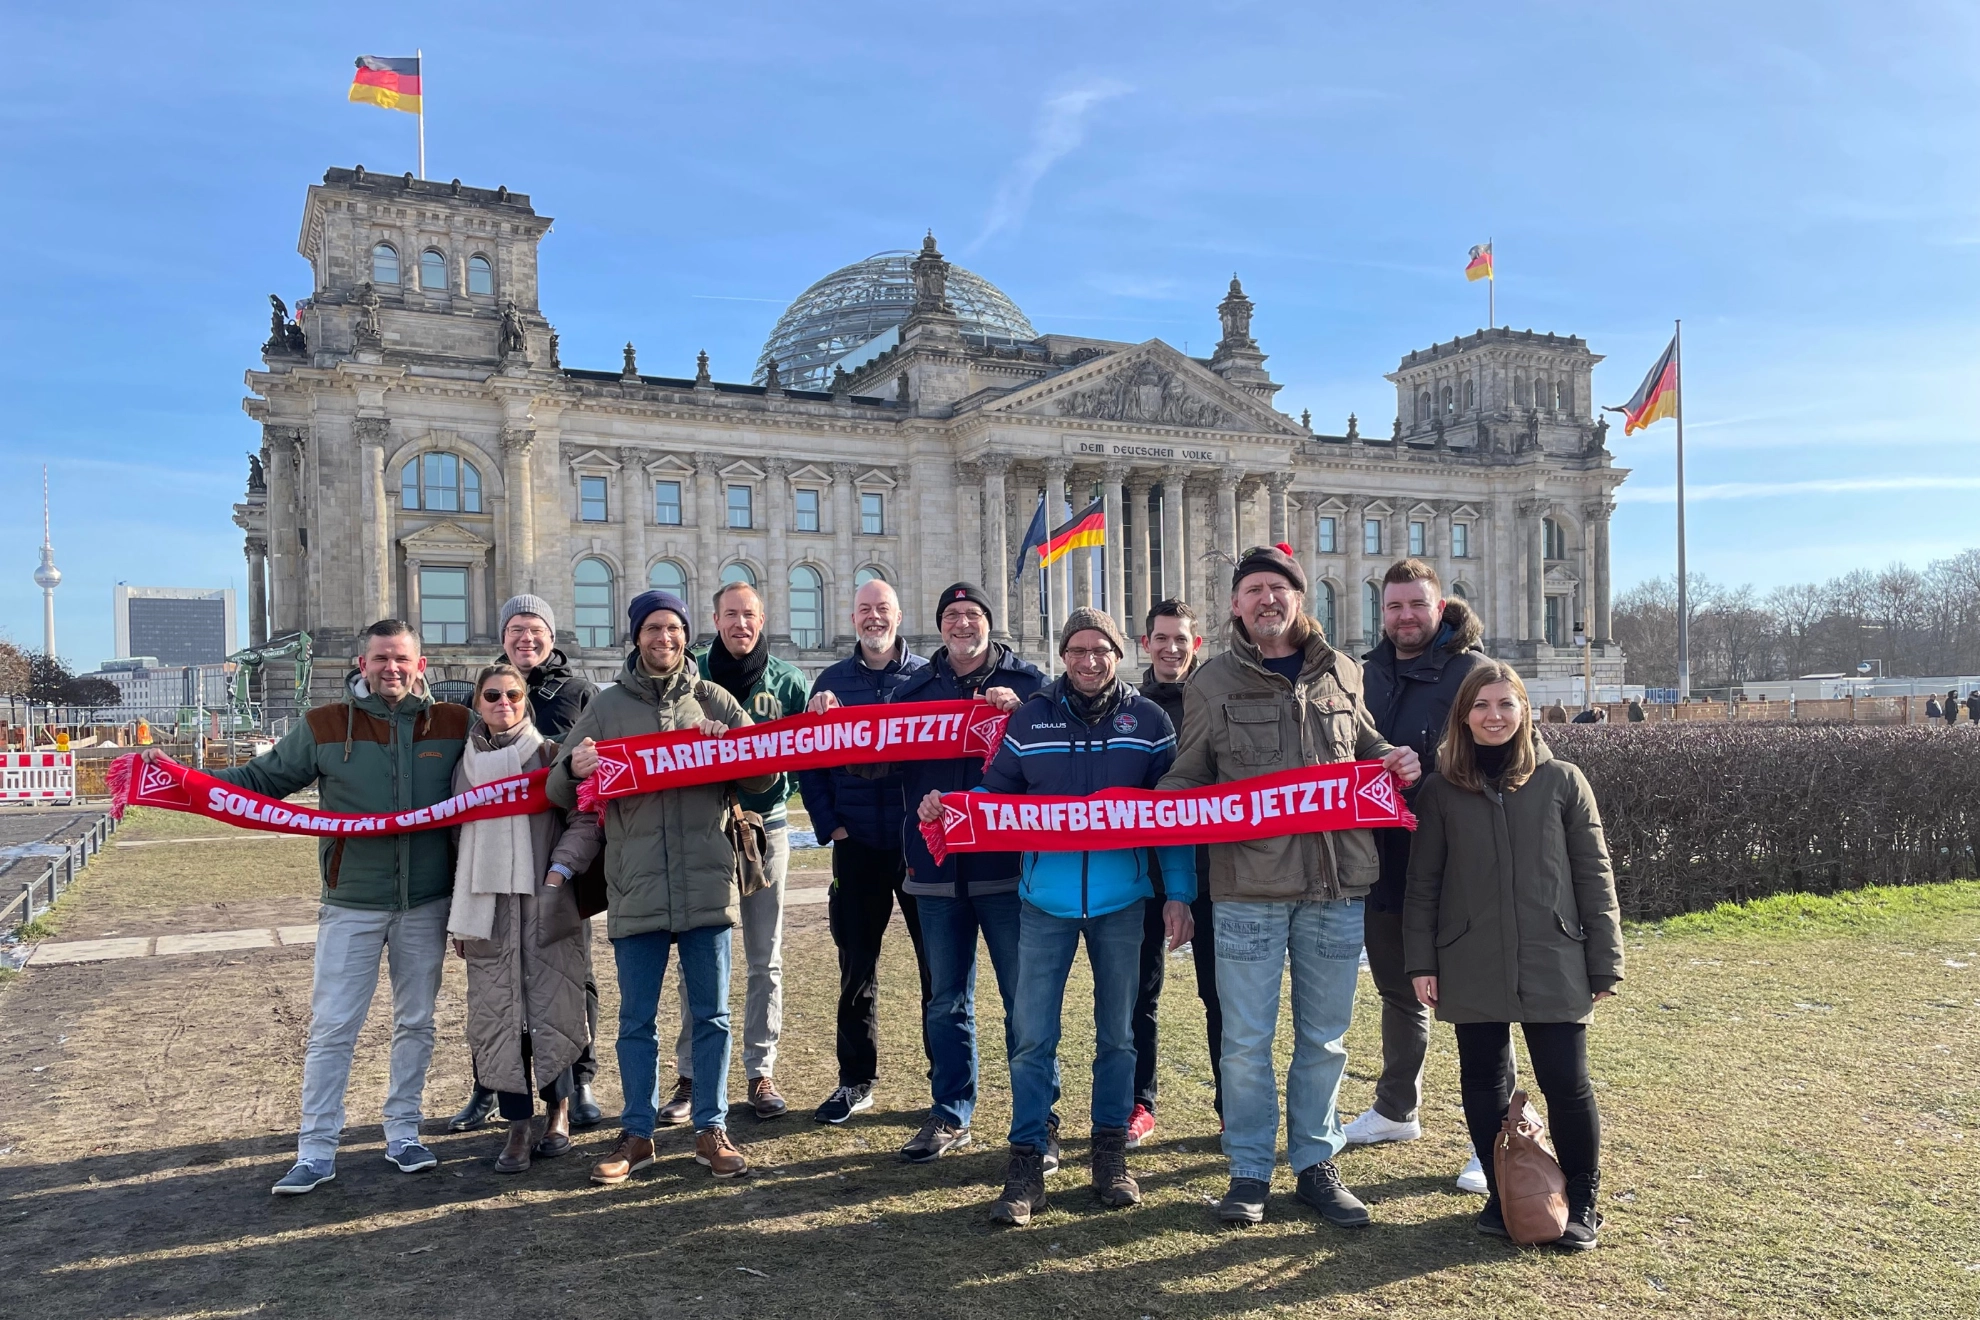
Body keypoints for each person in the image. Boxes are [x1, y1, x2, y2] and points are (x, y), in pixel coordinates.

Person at [1159, 545, 1420, 1229]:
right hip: (1248, 889)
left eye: (1278, 588)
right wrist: (1161, 805)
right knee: (1245, 1043)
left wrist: (1394, 759)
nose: (1266, 600)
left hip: (1335, 886)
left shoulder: (1343, 671)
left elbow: (1364, 746)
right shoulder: (1211, 682)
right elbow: (1189, 771)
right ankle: (1248, 1171)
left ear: (1298, 598)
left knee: (1325, 1040)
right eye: (1253, 591)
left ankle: (1316, 1164)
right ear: (1236, 606)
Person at [921, 607, 1193, 1226]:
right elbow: (995, 792)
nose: (1088, 661)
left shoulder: (1149, 722)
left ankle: (1109, 1153)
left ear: (1118, 654)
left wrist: (1178, 892)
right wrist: (952, 805)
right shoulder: (1031, 718)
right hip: (1044, 902)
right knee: (1032, 1035)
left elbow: (1173, 818)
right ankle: (1027, 1157)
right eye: (1076, 650)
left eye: (1100, 649)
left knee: (1118, 1034)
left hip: (1123, 902)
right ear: (1063, 656)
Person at [188, 620, 469, 1194]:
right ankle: (316, 1148)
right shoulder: (324, 725)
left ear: (420, 665)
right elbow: (259, 780)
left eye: (402, 658)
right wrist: (181, 780)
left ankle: (404, 1132)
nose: (391, 668)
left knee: (416, 1021)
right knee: (334, 1027)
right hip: (352, 901)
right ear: (362, 665)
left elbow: (513, 765)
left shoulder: (453, 723)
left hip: (426, 901)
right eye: (381, 658)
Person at [548, 589, 776, 1184]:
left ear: (686, 635)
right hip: (636, 885)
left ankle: (711, 1128)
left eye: (674, 628)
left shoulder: (715, 700)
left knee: (712, 1017)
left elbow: (766, 776)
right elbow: (556, 788)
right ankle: (637, 1132)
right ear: (637, 636)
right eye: (653, 628)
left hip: (707, 885)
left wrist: (736, 750)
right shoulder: (606, 707)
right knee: (636, 1022)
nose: (664, 638)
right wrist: (573, 768)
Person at [1404, 660, 1623, 1249]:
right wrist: (1421, 961)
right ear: (1464, 716)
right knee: (1482, 1080)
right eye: (1481, 705)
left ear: (1524, 710)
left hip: (1554, 953)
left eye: (1506, 703)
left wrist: (1604, 959)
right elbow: (1424, 883)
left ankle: (1583, 1200)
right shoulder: (1441, 790)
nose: (1493, 716)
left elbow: (1594, 874)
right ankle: (1504, 1196)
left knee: (1566, 1081)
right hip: (1469, 955)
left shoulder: (1563, 781)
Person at [1341, 560, 1492, 1197]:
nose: (1406, 617)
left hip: (1454, 862)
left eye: (1417, 605)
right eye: (1395, 606)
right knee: (1398, 991)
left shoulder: (1473, 674)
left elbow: (1504, 759)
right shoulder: (1363, 675)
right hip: (1382, 861)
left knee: (1477, 1000)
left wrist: (1424, 772)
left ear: (1441, 607)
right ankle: (1396, 1108)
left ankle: (1492, 1137)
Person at [645, 582, 810, 1125]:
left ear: (763, 619)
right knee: (699, 957)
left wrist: (780, 787)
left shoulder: (788, 681)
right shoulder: (689, 677)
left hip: (768, 828)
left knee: (766, 957)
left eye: (750, 614)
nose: (741, 623)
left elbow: (807, 751)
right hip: (707, 827)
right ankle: (691, 1074)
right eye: (731, 614)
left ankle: (761, 1070)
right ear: (714, 620)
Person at [449, 595, 603, 1135]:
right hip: (489, 882)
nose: (526, 638)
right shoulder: (471, 742)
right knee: (494, 991)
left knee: (570, 981)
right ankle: (489, 1088)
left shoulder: (580, 694)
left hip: (549, 872)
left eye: (536, 629)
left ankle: (578, 1081)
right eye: (516, 629)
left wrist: (563, 869)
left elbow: (591, 790)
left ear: (551, 637)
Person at [1133, 598, 1217, 1135]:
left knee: (1221, 997)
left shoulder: (1217, 701)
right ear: (1146, 644)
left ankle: (1232, 1109)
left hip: (1214, 874)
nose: (1171, 648)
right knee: (1138, 996)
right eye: (1161, 638)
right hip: (1144, 875)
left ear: (1196, 644)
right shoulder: (1130, 708)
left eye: (1180, 639)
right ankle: (1140, 1104)